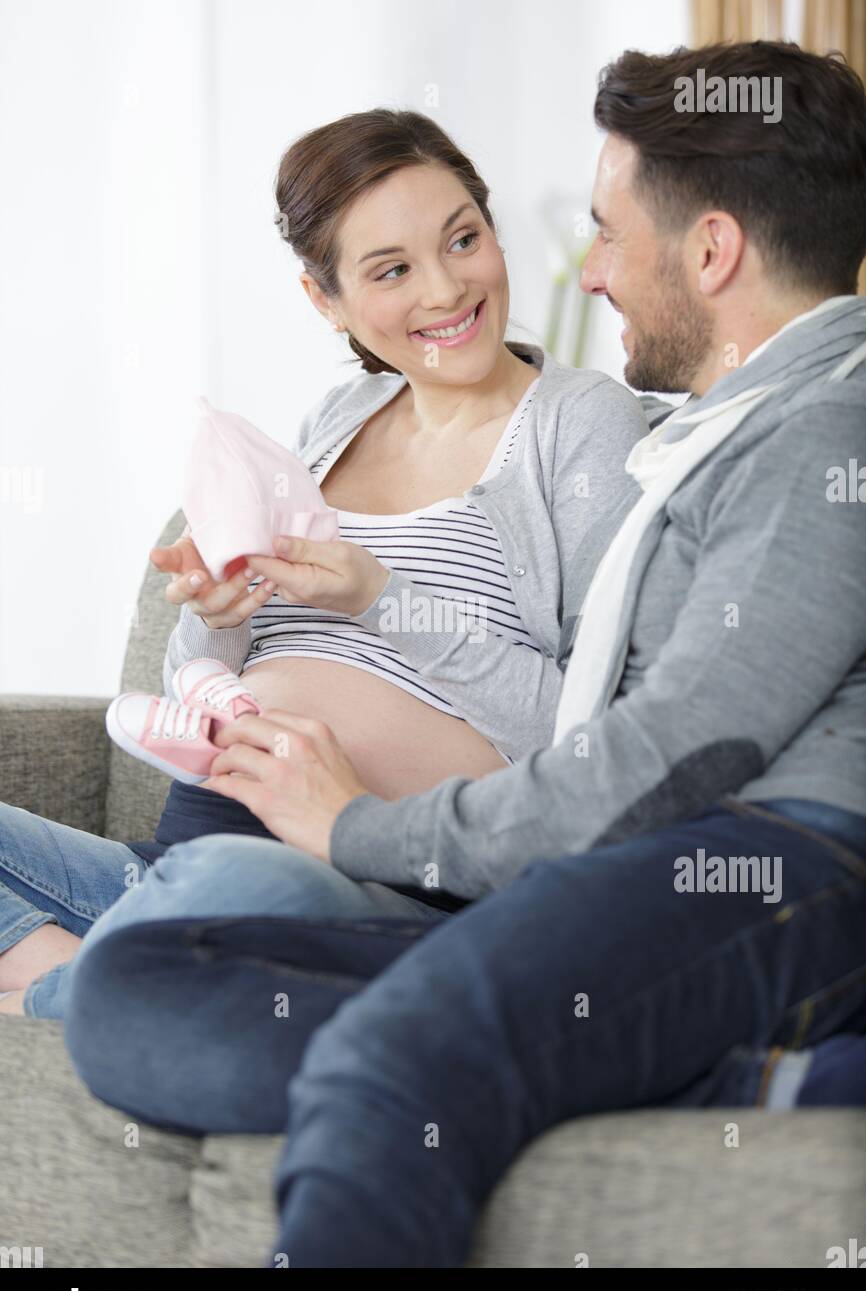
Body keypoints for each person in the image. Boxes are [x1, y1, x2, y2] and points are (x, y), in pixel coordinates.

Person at [64, 39, 866, 1269]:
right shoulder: (710, 436)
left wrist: (360, 832)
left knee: (394, 1060)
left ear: (707, 253)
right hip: (620, 880)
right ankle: (702, 1068)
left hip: (761, 866)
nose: (585, 277)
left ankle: (557, 1047)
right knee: (138, 989)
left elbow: (663, 757)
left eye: (604, 233)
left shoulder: (822, 433)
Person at [0, 109, 648, 1019]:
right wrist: (216, 616)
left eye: (463, 238)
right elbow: (211, 683)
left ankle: (49, 994)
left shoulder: (579, 423)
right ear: (326, 299)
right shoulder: (335, 420)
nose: (446, 288)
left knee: (222, 896)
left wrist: (380, 596)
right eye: (391, 269)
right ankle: (100, 981)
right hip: (189, 864)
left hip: (377, 885)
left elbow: (591, 740)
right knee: (199, 893)